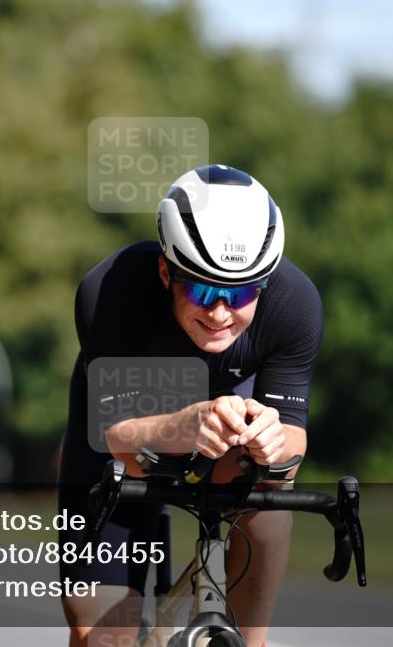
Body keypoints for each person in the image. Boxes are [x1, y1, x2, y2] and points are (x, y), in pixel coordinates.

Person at [57, 165, 323, 647]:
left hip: (226, 444)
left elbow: (293, 442)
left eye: (240, 294)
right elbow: (118, 440)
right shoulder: (111, 292)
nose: (219, 313)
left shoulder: (295, 303)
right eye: (202, 290)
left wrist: (273, 438)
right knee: (103, 636)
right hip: (125, 434)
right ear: (166, 271)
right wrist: (184, 423)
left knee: (266, 487)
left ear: (263, 284)